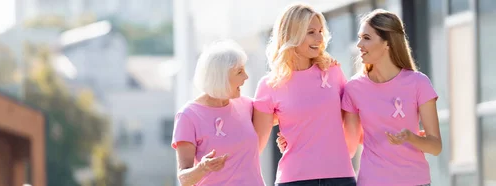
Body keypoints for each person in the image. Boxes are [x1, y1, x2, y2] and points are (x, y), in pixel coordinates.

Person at [277, 9, 442, 186]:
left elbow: (435, 146)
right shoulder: (354, 88)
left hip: (415, 181)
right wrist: (297, 140)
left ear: (388, 43)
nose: (359, 45)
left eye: (367, 38)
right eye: (359, 37)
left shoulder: (418, 83)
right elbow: (347, 146)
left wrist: (411, 137)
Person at [252, 3, 356, 186]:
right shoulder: (269, 85)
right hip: (294, 179)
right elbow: (254, 147)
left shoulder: (332, 72)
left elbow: (349, 117)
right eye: (311, 32)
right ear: (292, 35)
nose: (319, 38)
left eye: (320, 31)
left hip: (340, 177)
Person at [171, 40, 265, 186]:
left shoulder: (246, 105)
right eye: (239, 72)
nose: (246, 77)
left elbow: (285, 117)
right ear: (220, 77)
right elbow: (184, 178)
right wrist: (202, 168)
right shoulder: (188, 116)